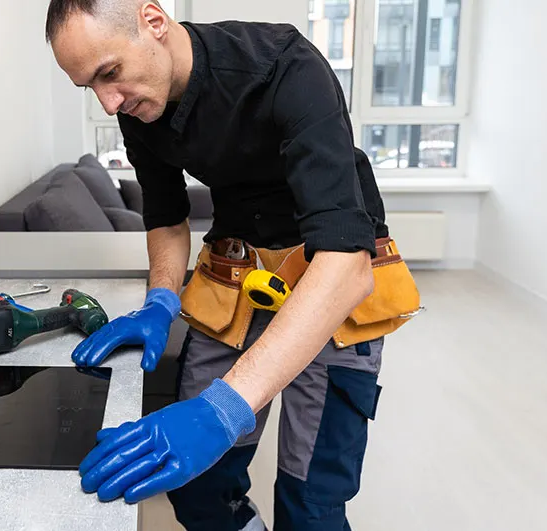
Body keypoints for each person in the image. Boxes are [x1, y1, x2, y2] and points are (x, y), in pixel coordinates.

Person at [46, 1, 392, 530]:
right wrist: (161, 300)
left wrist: (221, 410)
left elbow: (347, 264)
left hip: (328, 279)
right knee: (198, 488)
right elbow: (165, 215)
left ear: (154, 23)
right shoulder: (141, 106)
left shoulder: (285, 66)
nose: (108, 102)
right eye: (90, 87)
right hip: (236, 273)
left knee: (312, 507)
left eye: (110, 73)